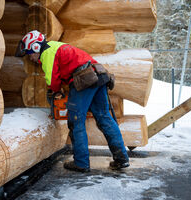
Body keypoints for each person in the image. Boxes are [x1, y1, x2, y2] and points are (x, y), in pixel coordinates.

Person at [15, 30, 129, 172]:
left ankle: (81, 163)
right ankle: (121, 159)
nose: (30, 58)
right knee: (104, 117)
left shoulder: (47, 53)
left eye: (30, 53)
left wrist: (55, 91)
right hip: (99, 75)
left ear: (36, 47)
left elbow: (52, 79)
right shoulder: (55, 46)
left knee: (76, 121)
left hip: (85, 79)